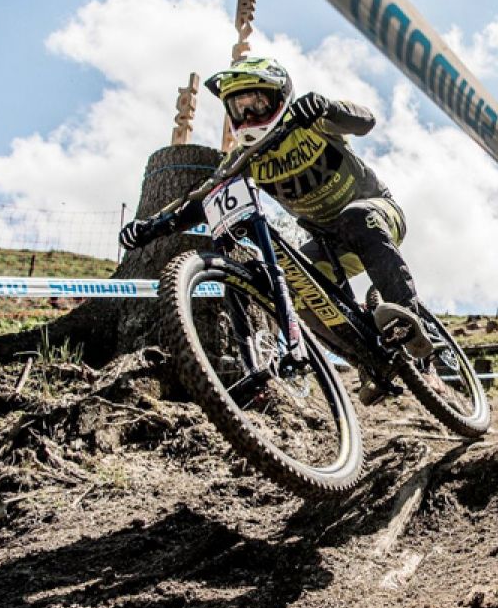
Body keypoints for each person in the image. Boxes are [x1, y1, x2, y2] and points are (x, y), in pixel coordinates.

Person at [119, 56, 433, 396]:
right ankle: (369, 362)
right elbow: (202, 200)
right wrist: (151, 227)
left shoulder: (310, 121)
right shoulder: (244, 158)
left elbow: (365, 120)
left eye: (257, 103)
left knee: (356, 218)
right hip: (330, 243)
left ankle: (414, 332)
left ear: (280, 96)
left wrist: (325, 106)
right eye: (239, 108)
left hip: (378, 214)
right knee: (298, 285)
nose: (250, 116)